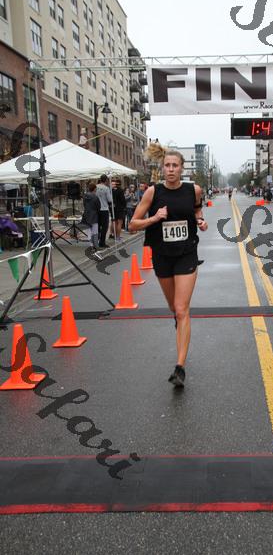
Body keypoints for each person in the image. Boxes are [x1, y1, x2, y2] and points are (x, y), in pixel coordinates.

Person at [129, 142, 208, 388]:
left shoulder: (193, 190)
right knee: (174, 308)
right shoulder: (153, 193)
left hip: (186, 253)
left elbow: (197, 211)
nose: (171, 169)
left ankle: (180, 367)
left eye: (175, 165)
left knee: (182, 309)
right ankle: (180, 326)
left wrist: (201, 221)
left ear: (182, 168)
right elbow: (132, 224)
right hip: (162, 255)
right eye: (167, 165)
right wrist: (155, 218)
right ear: (162, 168)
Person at [82, 182, 101, 256]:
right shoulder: (95, 197)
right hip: (94, 216)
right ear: (94, 189)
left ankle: (91, 245)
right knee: (95, 232)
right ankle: (96, 246)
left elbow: (84, 205)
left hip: (87, 215)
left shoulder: (85, 196)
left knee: (89, 232)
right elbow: (98, 207)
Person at [96, 174, 112, 248]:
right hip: (104, 209)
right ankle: (102, 242)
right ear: (106, 180)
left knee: (98, 225)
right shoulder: (106, 188)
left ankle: (96, 240)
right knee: (104, 226)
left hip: (97, 209)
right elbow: (109, 199)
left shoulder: (96, 187)